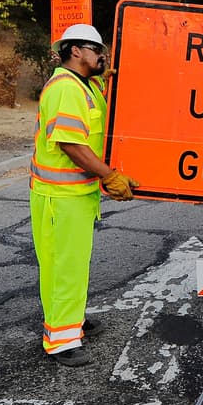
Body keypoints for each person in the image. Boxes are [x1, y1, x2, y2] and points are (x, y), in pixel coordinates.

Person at [29, 23, 141, 367]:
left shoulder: (85, 85)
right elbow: (70, 144)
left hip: (76, 194)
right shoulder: (66, 88)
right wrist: (110, 175)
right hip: (59, 197)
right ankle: (61, 341)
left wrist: (106, 77)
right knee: (63, 267)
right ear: (75, 51)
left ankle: (71, 319)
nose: (101, 56)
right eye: (95, 50)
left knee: (73, 265)